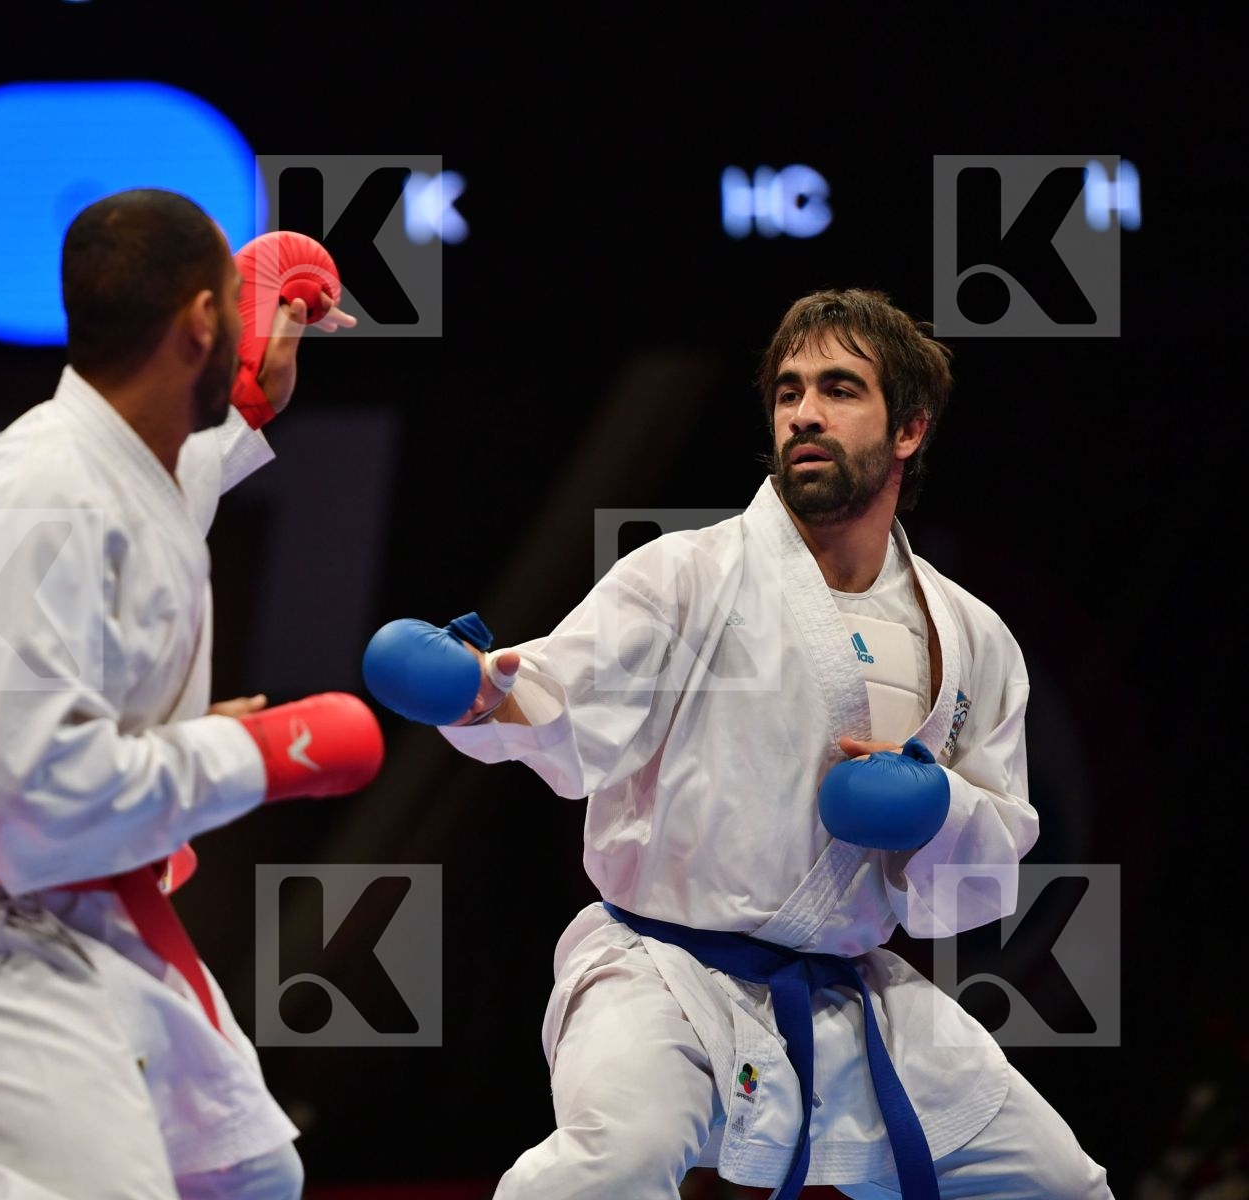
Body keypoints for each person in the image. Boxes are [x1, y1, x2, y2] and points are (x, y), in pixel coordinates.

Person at [364, 290, 1111, 1197]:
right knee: (614, 1164)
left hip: (849, 993)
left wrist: (937, 807)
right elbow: (565, 696)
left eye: (840, 388)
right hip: (662, 982)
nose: (804, 411)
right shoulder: (687, 575)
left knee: (1055, 1180)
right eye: (789, 390)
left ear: (909, 428)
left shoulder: (973, 636)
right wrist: (480, 694)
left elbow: (972, 889)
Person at [0, 188, 383, 1200]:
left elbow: (157, 499)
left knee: (250, 1178)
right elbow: (26, 799)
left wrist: (254, 395)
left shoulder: (122, 457)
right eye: (233, 299)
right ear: (198, 324)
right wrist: (259, 755)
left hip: (84, 914)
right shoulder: (39, 498)